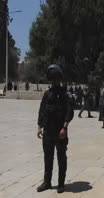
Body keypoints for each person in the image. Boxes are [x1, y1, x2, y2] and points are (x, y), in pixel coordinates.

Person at [37, 64, 74, 193]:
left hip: (60, 132)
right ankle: (47, 182)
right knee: (48, 158)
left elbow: (69, 111)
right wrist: (39, 126)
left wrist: (65, 127)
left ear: (59, 79)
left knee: (61, 158)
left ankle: (61, 183)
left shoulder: (65, 94)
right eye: (52, 79)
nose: (54, 81)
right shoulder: (47, 94)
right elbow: (42, 111)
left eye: (56, 79)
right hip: (48, 131)